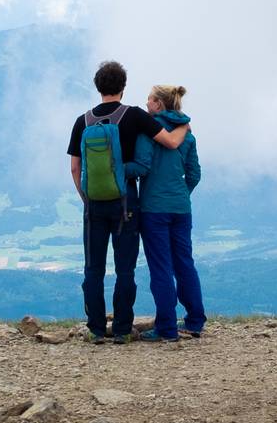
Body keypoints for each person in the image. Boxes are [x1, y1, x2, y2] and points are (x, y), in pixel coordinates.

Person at [68, 60, 188, 343]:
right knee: (125, 268)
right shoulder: (134, 116)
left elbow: (75, 168)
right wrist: (186, 125)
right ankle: (122, 329)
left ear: (98, 87)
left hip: (94, 204)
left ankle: (96, 328)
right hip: (125, 204)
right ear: (123, 87)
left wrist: (87, 197)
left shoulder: (82, 121)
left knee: (93, 268)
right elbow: (170, 142)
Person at [129, 84, 204, 342]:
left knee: (161, 268)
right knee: (185, 263)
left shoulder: (148, 132)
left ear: (159, 104)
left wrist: (116, 168)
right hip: (181, 209)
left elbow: (141, 167)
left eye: (150, 99)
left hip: (153, 209)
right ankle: (195, 321)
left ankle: (167, 328)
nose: (147, 103)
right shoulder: (188, 135)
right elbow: (194, 174)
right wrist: (181, 194)